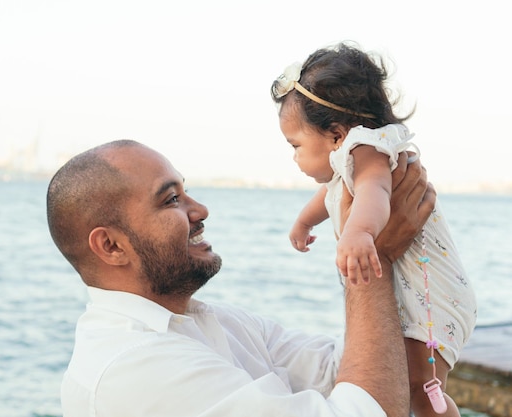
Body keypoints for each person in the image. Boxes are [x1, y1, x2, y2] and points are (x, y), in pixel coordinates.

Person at [47, 139, 434, 417]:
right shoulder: (133, 366)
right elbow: (374, 408)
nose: (200, 210)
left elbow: (352, 369)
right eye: (171, 200)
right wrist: (372, 258)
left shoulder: (223, 323)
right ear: (111, 246)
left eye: (187, 192)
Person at [270, 42, 477, 417]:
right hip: (414, 290)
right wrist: (304, 221)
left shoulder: (367, 152)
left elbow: (375, 190)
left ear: (335, 133)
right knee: (407, 381)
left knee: (420, 385)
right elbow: (328, 196)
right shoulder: (347, 165)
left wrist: (360, 232)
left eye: (296, 145)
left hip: (429, 293)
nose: (295, 157)